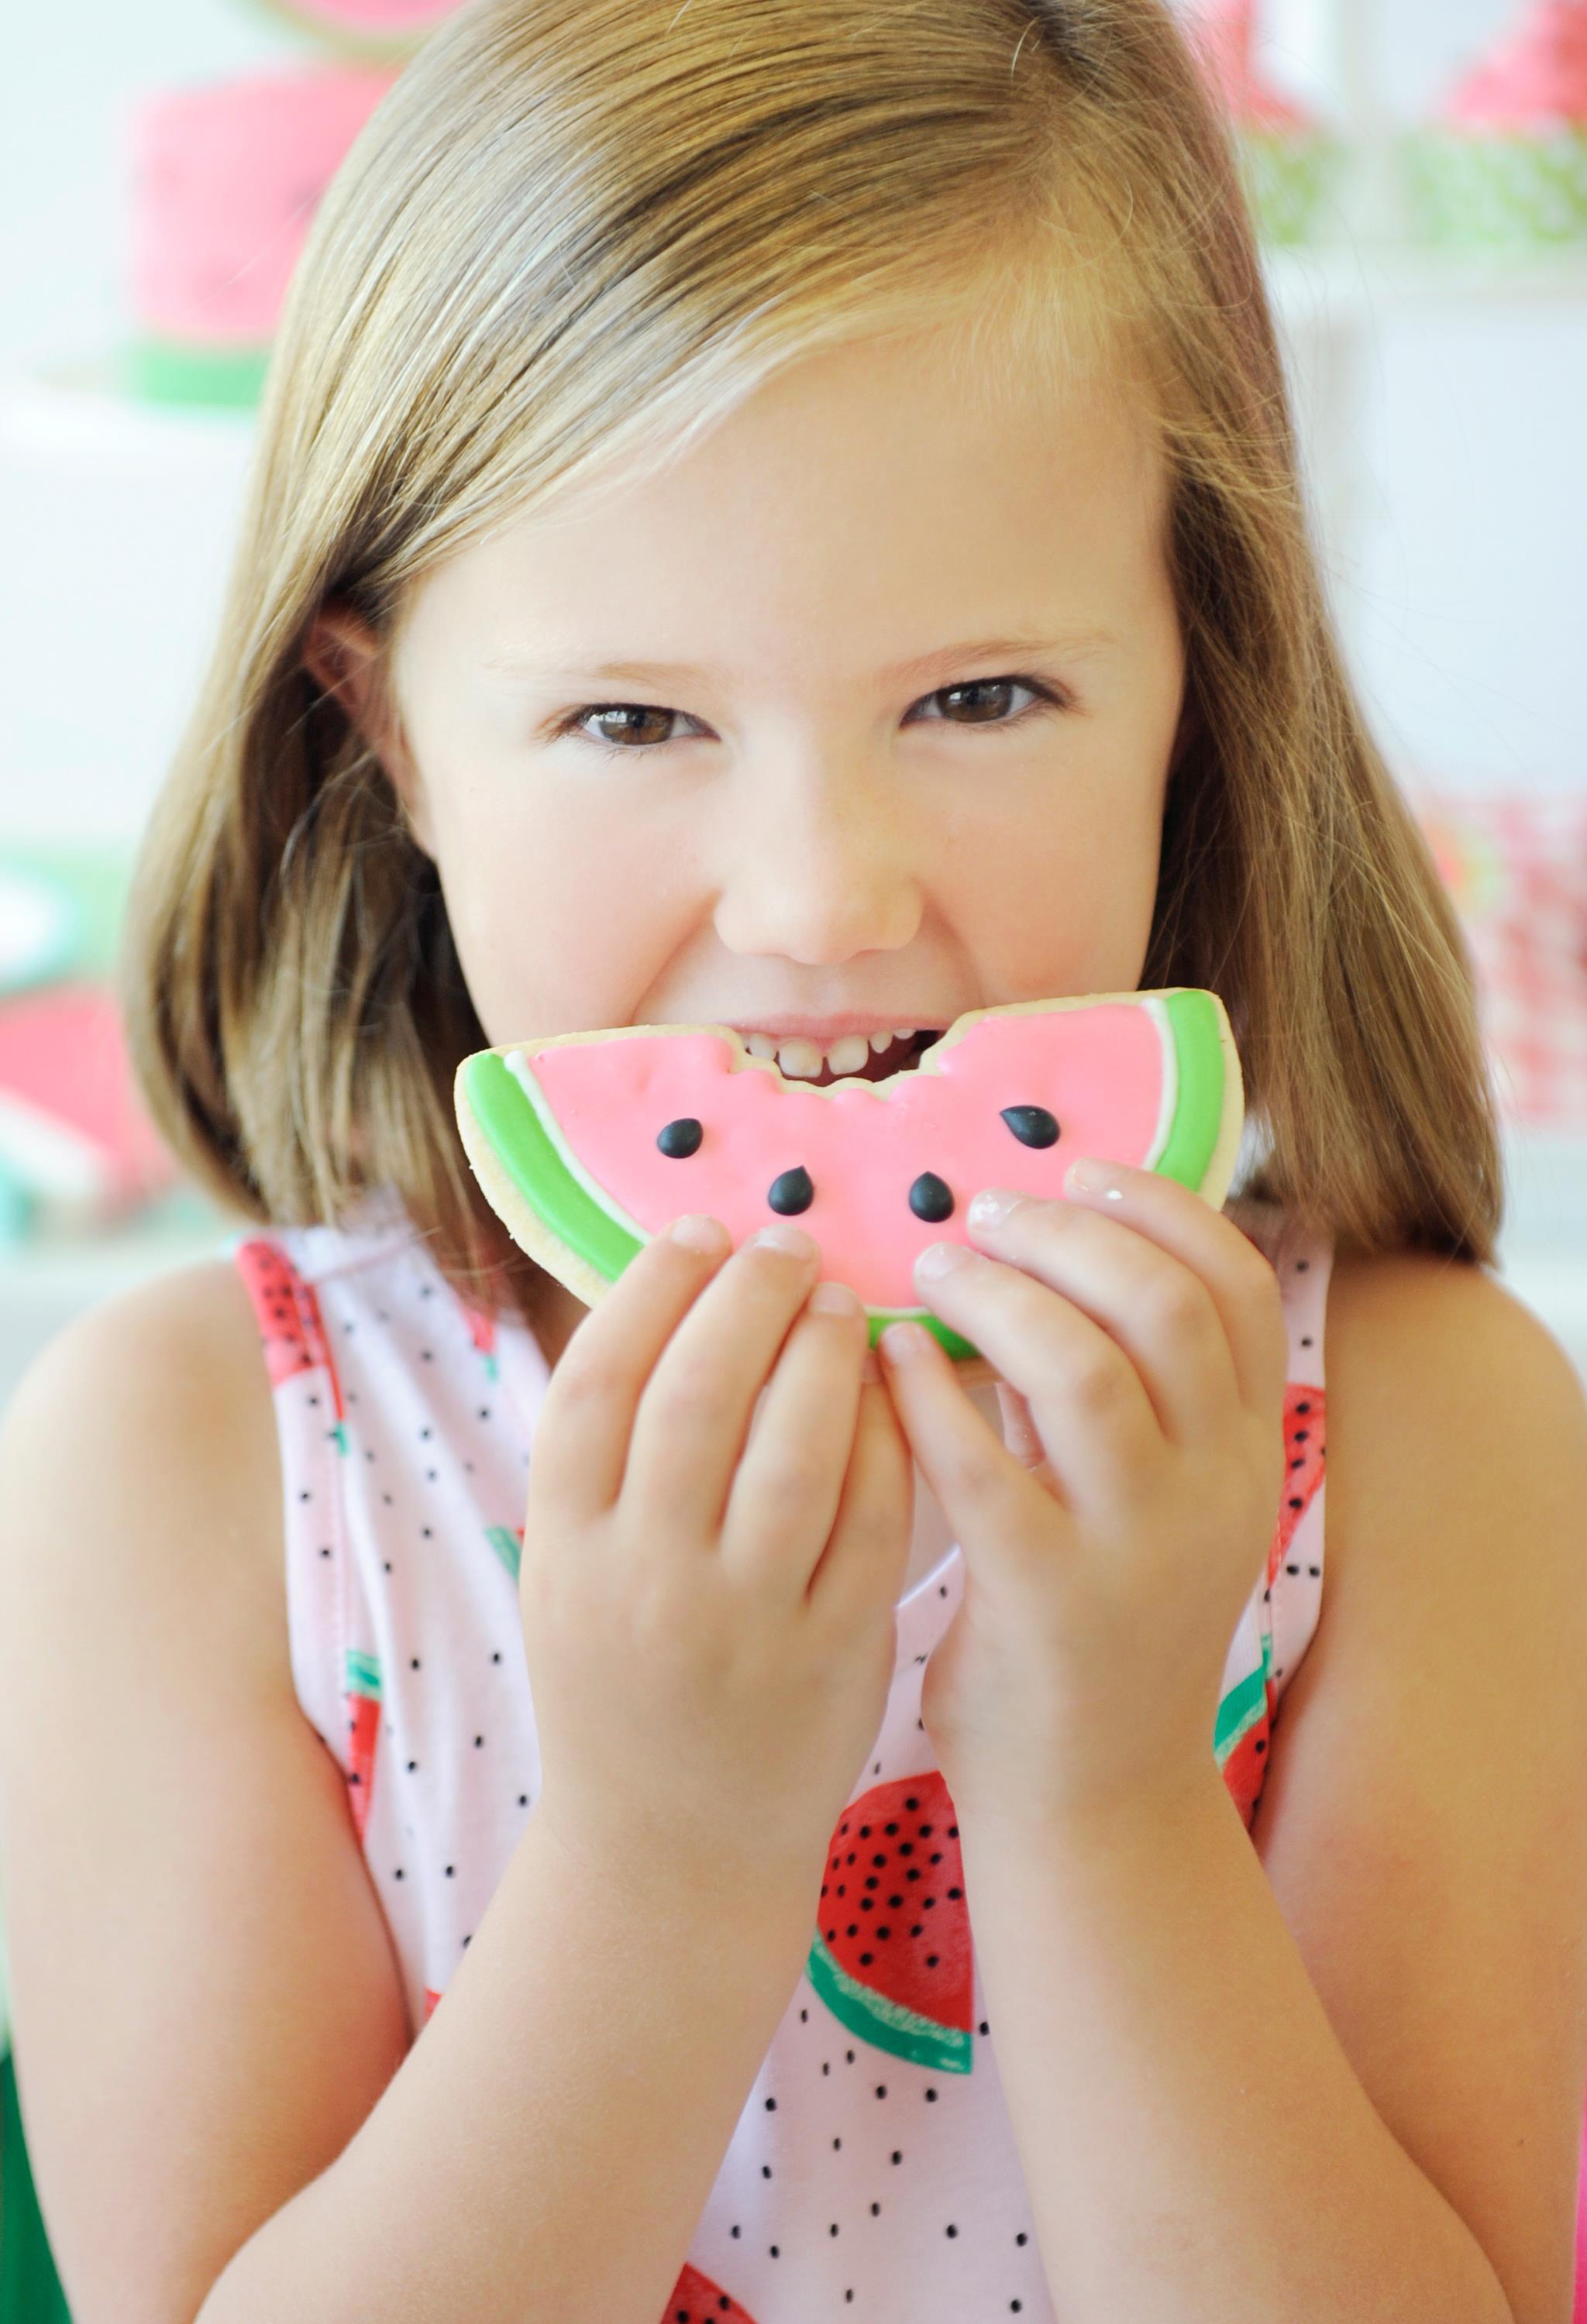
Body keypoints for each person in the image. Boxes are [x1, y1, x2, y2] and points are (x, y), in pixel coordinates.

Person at [2, 2, 1585, 2319]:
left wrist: (1107, 1784)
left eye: (979, 700)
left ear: (1194, 694)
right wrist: (663, 1839)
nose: (821, 896)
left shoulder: (1437, 1435)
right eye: (632, 720)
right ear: (391, 739)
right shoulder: (197, 1475)